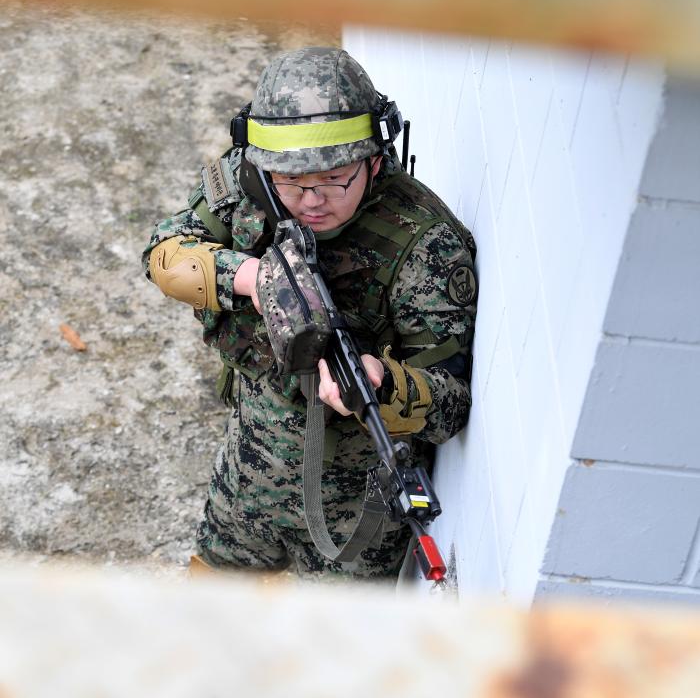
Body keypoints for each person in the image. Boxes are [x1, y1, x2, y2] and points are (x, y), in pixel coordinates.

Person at [143, 47, 477, 580]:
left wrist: (384, 386)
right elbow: (164, 254)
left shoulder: (425, 246)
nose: (311, 200)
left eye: (333, 179)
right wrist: (250, 280)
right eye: (292, 183)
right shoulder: (251, 182)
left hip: (357, 512)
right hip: (249, 467)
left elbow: (452, 406)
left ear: (373, 161)